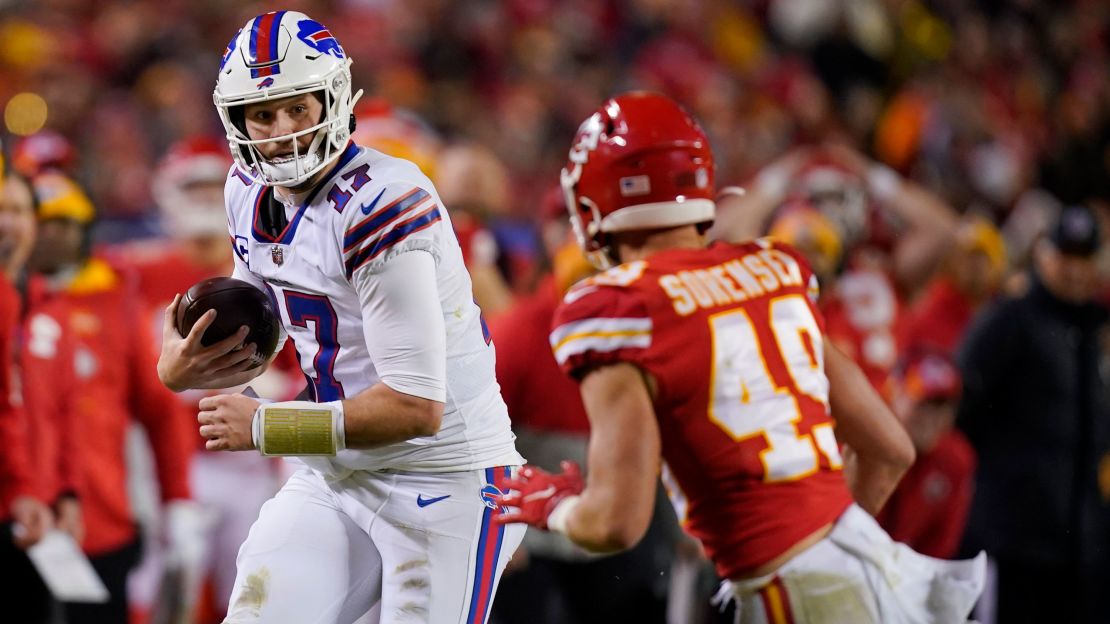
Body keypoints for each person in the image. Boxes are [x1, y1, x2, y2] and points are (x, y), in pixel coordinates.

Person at [496, 92, 985, 622]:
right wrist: (820, 544)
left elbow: (616, 521)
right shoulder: (775, 270)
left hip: (795, 598)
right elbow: (890, 449)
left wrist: (556, 507)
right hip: (871, 572)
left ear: (593, 204)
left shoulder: (616, 309)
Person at [156, 11, 524, 623]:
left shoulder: (383, 204)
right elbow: (264, 330)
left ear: (334, 99)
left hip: (447, 477)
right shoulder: (245, 187)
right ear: (236, 121)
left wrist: (267, 426)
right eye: (264, 114)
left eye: (299, 107)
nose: (284, 131)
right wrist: (187, 365)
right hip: (338, 472)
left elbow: (415, 407)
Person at [26, 172, 201, 624]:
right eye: (39, 222)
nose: (47, 237)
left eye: (60, 226)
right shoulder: (15, 303)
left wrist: (177, 500)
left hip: (102, 520)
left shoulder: (113, 300)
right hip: (22, 517)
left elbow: (160, 411)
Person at [957, 203, 1110, 623]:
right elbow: (963, 398)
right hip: (1016, 537)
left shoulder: (1098, 327)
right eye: (1066, 256)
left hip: (1083, 541)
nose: (1075, 270)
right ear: (1044, 254)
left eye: (1084, 258)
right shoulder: (1012, 318)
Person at [877, 350, 975, 559]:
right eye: (924, 404)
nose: (933, 417)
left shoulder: (954, 459)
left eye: (942, 406)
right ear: (895, 392)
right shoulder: (865, 442)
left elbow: (941, 545)